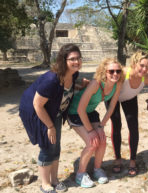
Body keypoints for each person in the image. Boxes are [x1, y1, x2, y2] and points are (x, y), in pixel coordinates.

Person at [19, 44, 82, 193]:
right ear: (63, 60)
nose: (77, 61)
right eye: (72, 59)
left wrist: (80, 86)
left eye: (79, 58)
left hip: (55, 112)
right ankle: (45, 183)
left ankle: (54, 179)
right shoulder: (51, 79)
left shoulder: (73, 75)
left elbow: (66, 90)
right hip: (37, 111)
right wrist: (50, 127)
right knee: (47, 146)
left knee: (56, 146)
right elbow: (37, 104)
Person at [67, 58, 124, 188]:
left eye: (118, 71)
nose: (115, 74)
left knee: (102, 140)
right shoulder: (95, 84)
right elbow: (81, 109)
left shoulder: (118, 84)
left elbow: (111, 107)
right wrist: (91, 130)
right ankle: (80, 174)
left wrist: (101, 126)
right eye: (111, 71)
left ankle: (97, 169)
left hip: (91, 112)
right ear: (104, 72)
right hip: (76, 112)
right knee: (92, 143)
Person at [105, 51, 148, 176]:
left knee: (133, 127)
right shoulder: (123, 73)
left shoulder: (146, 77)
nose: (144, 69)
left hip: (129, 97)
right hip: (112, 97)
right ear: (134, 63)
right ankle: (117, 159)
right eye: (141, 65)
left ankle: (132, 160)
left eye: (147, 66)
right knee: (116, 125)